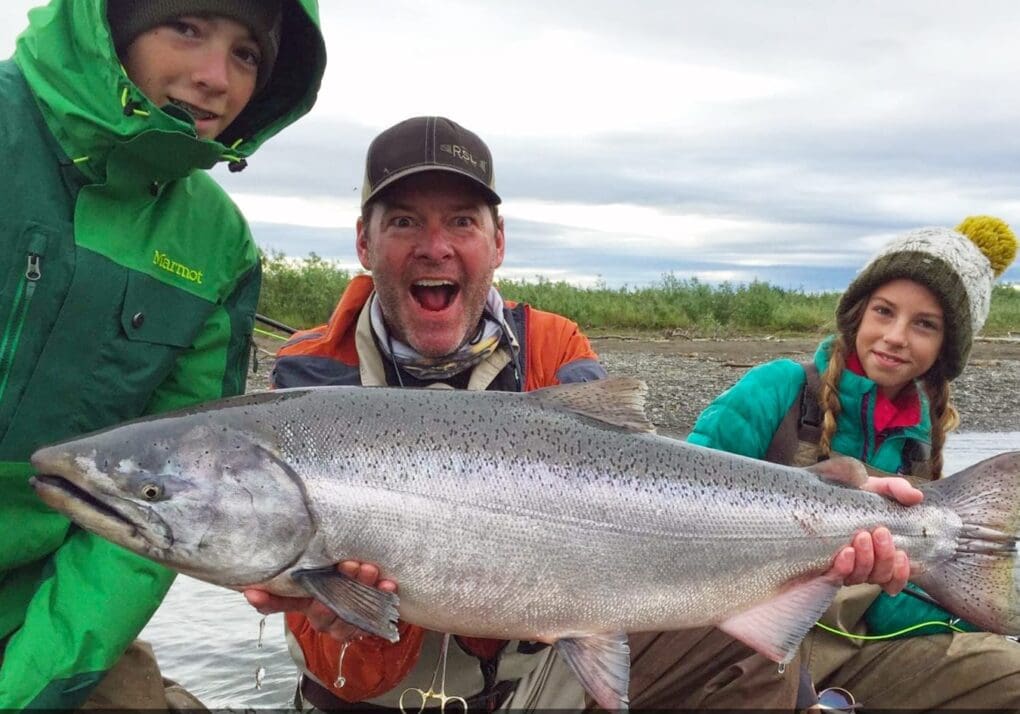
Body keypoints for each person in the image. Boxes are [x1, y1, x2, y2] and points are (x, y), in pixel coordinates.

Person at [246, 116, 919, 712]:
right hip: (373, 696)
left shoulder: (553, 346)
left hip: (536, 683)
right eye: (403, 221)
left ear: (498, 241)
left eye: (461, 221)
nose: (435, 246)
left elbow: (639, 474)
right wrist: (340, 610)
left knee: (748, 655)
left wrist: (842, 507)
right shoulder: (311, 375)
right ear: (364, 243)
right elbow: (306, 605)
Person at [0, 0, 325, 708]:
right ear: (113, 24)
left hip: (48, 611)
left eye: (247, 55)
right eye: (187, 27)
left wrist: (21, 691)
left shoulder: (218, 245)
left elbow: (156, 514)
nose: (217, 78)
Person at [636, 216, 1020, 710]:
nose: (897, 336)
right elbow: (667, 507)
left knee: (1005, 676)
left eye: (924, 324)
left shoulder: (920, 439)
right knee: (772, 675)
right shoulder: (777, 389)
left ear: (947, 347)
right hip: (736, 636)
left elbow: (891, 604)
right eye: (885, 311)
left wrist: (962, 611)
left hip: (851, 644)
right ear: (857, 314)